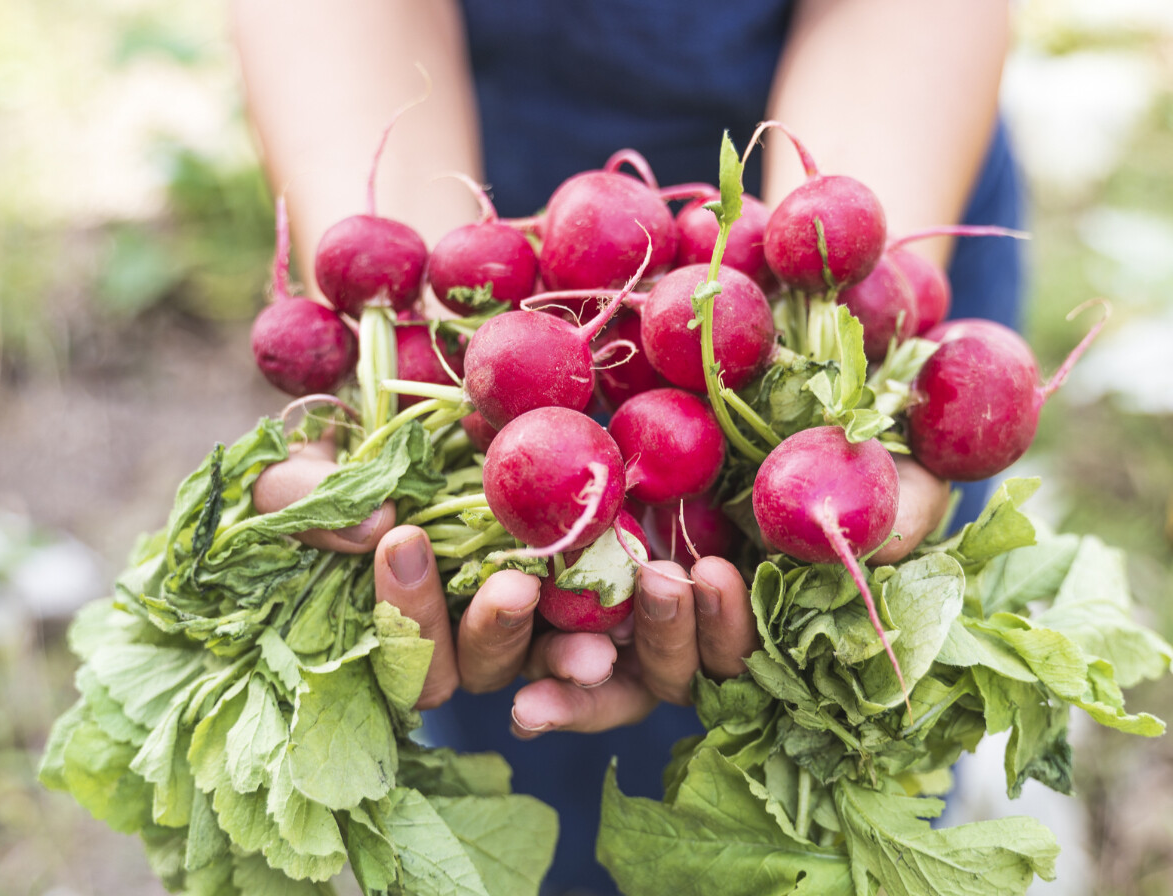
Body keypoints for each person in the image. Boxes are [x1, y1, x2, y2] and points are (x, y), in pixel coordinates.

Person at [231, 2, 1021, 892]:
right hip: (490, 207)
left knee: (863, 677)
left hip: (887, 126)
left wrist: (857, 336)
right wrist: (415, 310)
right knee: (510, 725)